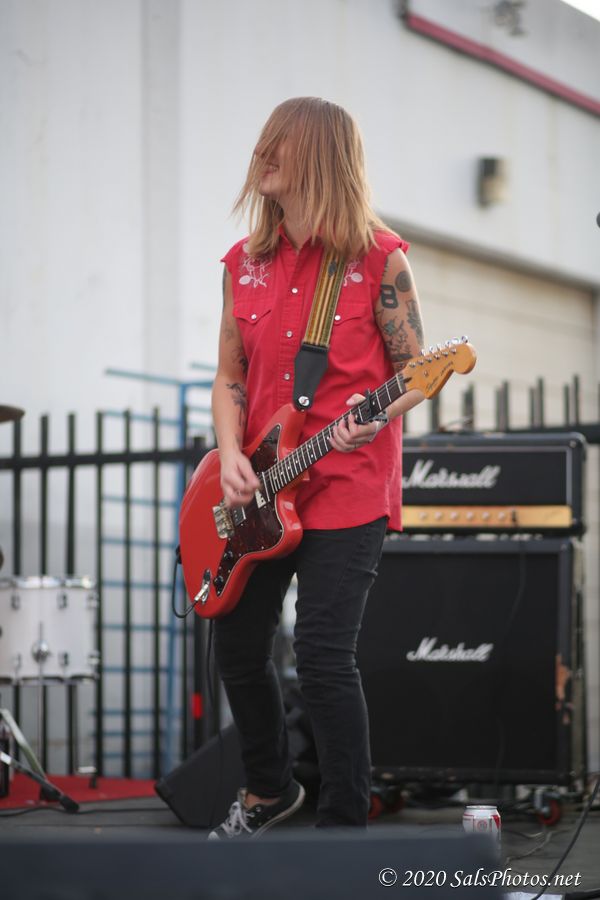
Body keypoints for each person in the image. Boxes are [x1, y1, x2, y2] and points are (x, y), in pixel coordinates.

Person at [208, 97, 425, 839]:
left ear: (322, 156)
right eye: (263, 141)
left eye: (281, 144)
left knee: (325, 658)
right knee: (237, 648)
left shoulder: (378, 257)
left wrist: (377, 414)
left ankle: (342, 834)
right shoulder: (243, 265)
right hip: (261, 489)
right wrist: (230, 455)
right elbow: (229, 377)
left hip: (347, 487)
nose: (262, 155)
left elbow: (417, 371)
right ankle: (269, 790)